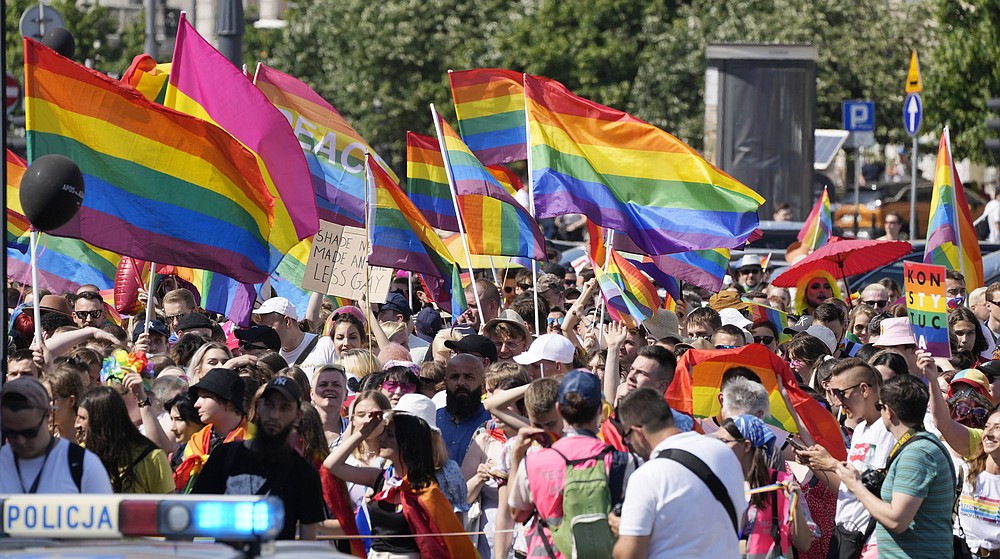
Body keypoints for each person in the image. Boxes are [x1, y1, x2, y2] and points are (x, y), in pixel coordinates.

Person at [508, 370, 636, 559]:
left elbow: (517, 514)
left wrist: (516, 460)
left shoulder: (533, 461)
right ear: (600, 409)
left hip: (546, 552)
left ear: (559, 409)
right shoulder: (623, 461)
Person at [324, 406, 477, 557]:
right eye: (384, 432)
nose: (381, 438)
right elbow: (331, 465)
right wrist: (363, 432)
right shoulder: (379, 478)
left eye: (389, 435)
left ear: (407, 442)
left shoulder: (428, 492)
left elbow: (449, 543)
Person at [613, 387, 747, 558]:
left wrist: (623, 529)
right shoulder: (724, 453)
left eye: (627, 437)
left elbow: (629, 555)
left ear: (638, 433)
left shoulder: (647, 475)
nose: (628, 443)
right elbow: (739, 519)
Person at [834, 374, 955, 559]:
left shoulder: (918, 453)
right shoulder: (919, 446)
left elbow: (897, 520)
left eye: (879, 407)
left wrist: (855, 486)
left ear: (889, 411)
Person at [193, 376, 324, 540]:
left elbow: (308, 544)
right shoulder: (223, 456)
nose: (274, 415)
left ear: (297, 416)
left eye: (284, 408)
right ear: (259, 406)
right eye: (269, 405)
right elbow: (193, 517)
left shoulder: (304, 473)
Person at [798, 358, 892, 559]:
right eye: (833, 393)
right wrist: (818, 465)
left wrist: (831, 463)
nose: (838, 401)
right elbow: (846, 487)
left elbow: (880, 485)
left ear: (864, 389)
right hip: (846, 536)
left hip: (874, 540)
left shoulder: (888, 429)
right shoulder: (860, 430)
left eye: (841, 393)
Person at [719, 415, 814, 558]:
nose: (718, 447)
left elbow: (804, 544)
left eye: (724, 441)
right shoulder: (719, 484)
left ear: (746, 446)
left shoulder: (781, 484)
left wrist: (795, 507)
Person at [0, 377, 113, 493]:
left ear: (47, 415)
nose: (20, 441)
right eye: (11, 433)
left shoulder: (84, 465)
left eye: (29, 433)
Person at [75, 386, 174, 493]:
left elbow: (167, 507)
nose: (76, 424)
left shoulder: (152, 459)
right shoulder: (80, 456)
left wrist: (142, 397)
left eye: (82, 418)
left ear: (101, 422)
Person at [174, 368, 249, 492]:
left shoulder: (253, 440)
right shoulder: (195, 442)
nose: (196, 404)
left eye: (206, 397)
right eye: (198, 397)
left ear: (228, 402)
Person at [953, 404, 1000, 556]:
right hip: (960, 552)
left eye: (998, 428)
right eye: (987, 426)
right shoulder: (966, 471)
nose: (989, 433)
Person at [252, 297, 336, 378]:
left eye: (268, 327)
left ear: (287, 321)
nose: (264, 333)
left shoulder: (326, 345)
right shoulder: (271, 358)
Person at [437, 353, 491, 465]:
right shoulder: (433, 420)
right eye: (455, 377)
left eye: (468, 377)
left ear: (482, 383)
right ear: (445, 382)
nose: (461, 383)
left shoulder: (492, 423)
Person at [311, 364, 349, 449]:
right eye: (323, 385)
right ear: (312, 394)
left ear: (346, 394)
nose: (329, 389)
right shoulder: (301, 430)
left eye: (336, 385)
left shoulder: (355, 431)